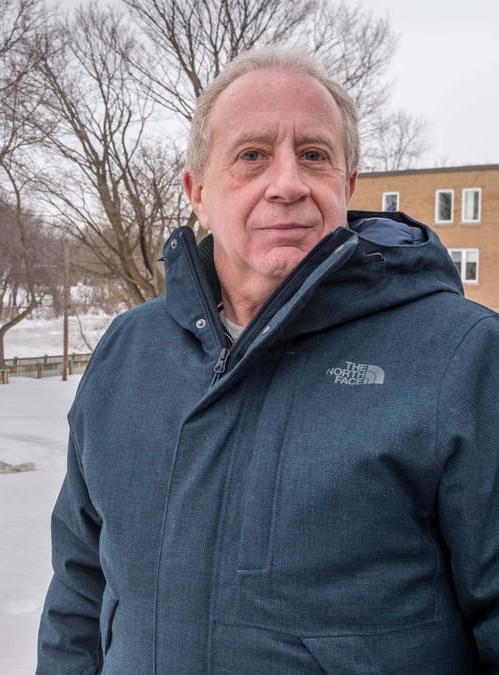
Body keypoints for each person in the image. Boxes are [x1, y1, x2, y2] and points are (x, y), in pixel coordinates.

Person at [37, 45, 499, 673]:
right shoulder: (127, 352)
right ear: (197, 193)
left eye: (313, 155)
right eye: (252, 156)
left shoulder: (463, 357)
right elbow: (79, 588)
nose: (287, 184)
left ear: (348, 185)